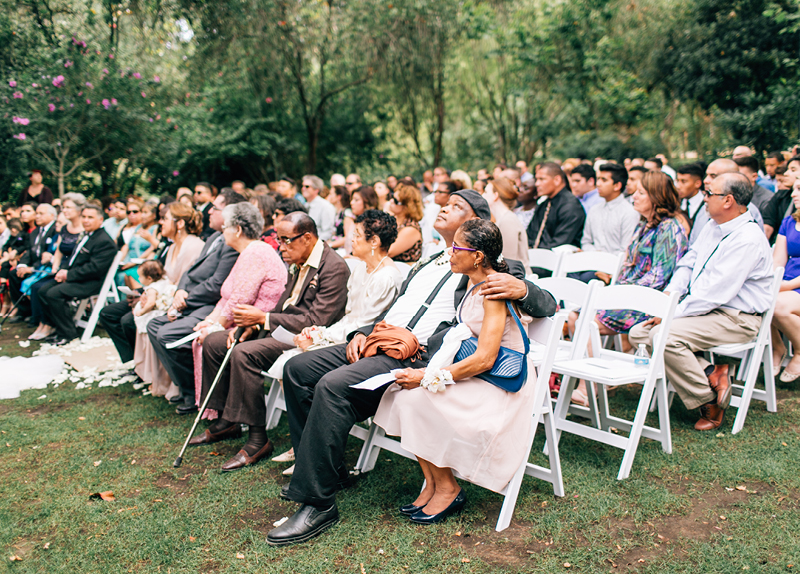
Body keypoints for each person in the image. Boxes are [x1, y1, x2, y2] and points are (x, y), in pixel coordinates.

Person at [267, 190, 556, 547]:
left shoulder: (491, 268)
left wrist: (521, 285)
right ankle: (332, 471)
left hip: (413, 353)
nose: (443, 208)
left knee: (332, 386)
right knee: (298, 368)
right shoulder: (431, 259)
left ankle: (316, 502)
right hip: (380, 338)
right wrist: (363, 331)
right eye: (444, 203)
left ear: (476, 223)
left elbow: (547, 303)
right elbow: (397, 304)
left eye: (455, 206)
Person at [373, 219, 534, 524]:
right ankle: (433, 483)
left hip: (498, 384)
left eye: (456, 248)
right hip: (473, 372)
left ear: (476, 256)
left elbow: (486, 358)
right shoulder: (472, 283)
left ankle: (447, 487)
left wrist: (427, 376)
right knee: (404, 397)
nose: (449, 254)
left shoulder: (493, 291)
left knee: (417, 399)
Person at [189, 212, 350, 472]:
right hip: (282, 328)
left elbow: (318, 319)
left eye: (286, 240)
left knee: (244, 353)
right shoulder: (298, 257)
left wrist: (263, 319)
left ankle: (257, 439)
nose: (281, 247)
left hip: (307, 339)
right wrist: (253, 325)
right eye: (278, 240)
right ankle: (225, 420)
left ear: (307, 238)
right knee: (215, 342)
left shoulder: (334, 267)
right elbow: (284, 305)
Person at [629, 173, 773, 431]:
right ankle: (711, 373)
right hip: (705, 312)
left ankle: (707, 401)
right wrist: (670, 296)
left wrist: (671, 313)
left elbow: (714, 293)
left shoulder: (747, 239)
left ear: (728, 200)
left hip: (736, 318)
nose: (704, 199)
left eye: (709, 194)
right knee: (638, 333)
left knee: (664, 336)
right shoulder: (712, 225)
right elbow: (688, 261)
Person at [266, 210, 404, 469]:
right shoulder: (361, 269)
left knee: (296, 365)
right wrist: (317, 332)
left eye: (357, 235)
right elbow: (349, 316)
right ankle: (305, 446)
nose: (350, 239)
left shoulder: (387, 277)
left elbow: (365, 326)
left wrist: (321, 337)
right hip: (344, 333)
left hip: (362, 344)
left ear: (374, 242)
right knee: (289, 363)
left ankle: (310, 449)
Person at [146, 191, 245, 412]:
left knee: (166, 334)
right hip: (193, 301)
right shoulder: (213, 237)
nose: (209, 210)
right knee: (153, 325)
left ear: (229, 213)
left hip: (210, 306)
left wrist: (186, 300)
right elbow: (191, 270)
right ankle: (187, 387)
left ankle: (195, 392)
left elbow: (217, 285)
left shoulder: (231, 244)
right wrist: (180, 291)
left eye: (216, 207)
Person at [189, 202, 288, 409]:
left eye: (225, 226)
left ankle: (224, 412)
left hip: (258, 328)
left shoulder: (256, 252)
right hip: (242, 322)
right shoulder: (247, 252)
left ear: (238, 229)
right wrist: (209, 321)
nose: (222, 231)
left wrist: (215, 327)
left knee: (212, 341)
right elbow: (226, 297)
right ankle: (218, 409)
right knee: (205, 336)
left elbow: (241, 299)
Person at [134, 203, 206, 395]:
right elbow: (166, 279)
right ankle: (156, 377)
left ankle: (175, 382)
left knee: (153, 321)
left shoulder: (193, 246)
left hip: (187, 302)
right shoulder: (173, 246)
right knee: (142, 315)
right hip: (170, 298)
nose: (160, 222)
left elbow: (189, 282)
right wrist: (153, 293)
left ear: (179, 223)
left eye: (165, 218)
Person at [38, 205, 118, 345]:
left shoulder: (104, 241)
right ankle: (59, 328)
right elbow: (72, 259)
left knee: (53, 294)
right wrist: (62, 271)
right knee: (42, 290)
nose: (86, 220)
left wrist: (68, 275)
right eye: (84, 217)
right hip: (76, 277)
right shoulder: (86, 235)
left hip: (90, 282)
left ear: (100, 220)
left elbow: (94, 269)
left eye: (90, 217)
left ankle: (68, 334)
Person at [577, 163, 640, 277]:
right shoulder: (594, 210)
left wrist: (603, 258)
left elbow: (625, 251)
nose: (598, 184)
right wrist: (595, 254)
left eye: (604, 180)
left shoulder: (629, 213)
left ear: (617, 186)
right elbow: (586, 241)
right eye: (598, 179)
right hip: (590, 263)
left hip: (613, 269)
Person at [526, 162, 586, 275]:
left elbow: (560, 243)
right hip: (536, 259)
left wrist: (534, 255)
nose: (537, 184)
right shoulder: (544, 204)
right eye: (536, 179)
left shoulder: (571, 206)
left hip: (559, 264)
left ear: (557, 180)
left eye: (542, 179)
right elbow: (530, 234)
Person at [690, 159, 764, 245]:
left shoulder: (745, 210)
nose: (706, 180)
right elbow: (694, 245)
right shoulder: (705, 207)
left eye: (713, 176)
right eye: (706, 175)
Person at [769, 182, 800, 381]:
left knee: (776, 304)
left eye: (799, 190)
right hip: (785, 282)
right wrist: (772, 281)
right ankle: (777, 346)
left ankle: (799, 350)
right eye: (794, 189)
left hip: (795, 287)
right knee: (759, 296)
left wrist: (786, 286)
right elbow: (778, 261)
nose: (794, 194)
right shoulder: (789, 221)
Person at [481, 178, 530, 272]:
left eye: (486, 192)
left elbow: (508, 260)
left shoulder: (508, 221)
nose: (483, 195)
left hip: (517, 277)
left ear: (495, 196)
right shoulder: (502, 218)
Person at [116, 203, 159, 287]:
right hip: (128, 261)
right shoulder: (139, 227)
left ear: (154, 215)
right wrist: (119, 260)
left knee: (126, 275)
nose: (143, 215)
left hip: (141, 263)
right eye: (142, 212)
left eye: (146, 212)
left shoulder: (155, 228)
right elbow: (127, 245)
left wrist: (133, 263)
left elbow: (153, 248)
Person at [763, 158, 800, 242]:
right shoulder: (780, 196)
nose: (786, 174)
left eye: (793, 170)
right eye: (787, 169)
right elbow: (768, 222)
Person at [387, 183, 423, 263]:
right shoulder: (393, 221)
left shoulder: (411, 228)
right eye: (392, 197)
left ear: (407, 206)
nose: (391, 201)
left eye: (396, 201)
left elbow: (389, 252)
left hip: (403, 271)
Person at [345, 186, 379, 254]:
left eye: (356, 200)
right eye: (352, 199)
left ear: (367, 202)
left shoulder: (375, 222)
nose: (351, 203)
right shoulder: (350, 219)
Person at [301, 175, 336, 241]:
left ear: (316, 190)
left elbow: (328, 232)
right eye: (302, 186)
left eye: (307, 186)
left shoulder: (326, 206)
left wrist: (312, 243)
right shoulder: (305, 206)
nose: (303, 189)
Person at [675, 163, 705, 232]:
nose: (678, 186)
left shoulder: (707, 204)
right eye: (677, 181)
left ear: (697, 183)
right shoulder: (676, 203)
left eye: (684, 181)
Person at [327, 185, 353, 250]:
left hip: (343, 250)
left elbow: (348, 237)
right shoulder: (337, 213)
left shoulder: (346, 213)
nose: (328, 197)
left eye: (331, 194)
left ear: (338, 197)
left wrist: (330, 244)